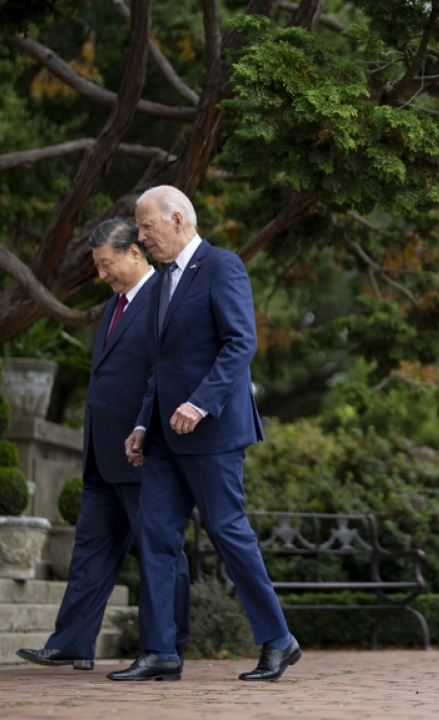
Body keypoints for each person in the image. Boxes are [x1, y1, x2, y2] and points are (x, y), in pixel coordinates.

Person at [107, 186, 299, 683]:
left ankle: (279, 640)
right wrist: (143, 423)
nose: (141, 237)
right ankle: (161, 651)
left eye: (147, 226)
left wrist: (201, 402)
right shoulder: (162, 281)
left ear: (177, 220)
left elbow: (241, 343)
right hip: (166, 439)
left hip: (213, 432)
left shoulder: (222, 265)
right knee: (154, 536)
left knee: (228, 532)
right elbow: (160, 364)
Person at [17, 219, 190, 671]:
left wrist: (144, 429)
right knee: (89, 551)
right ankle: (72, 642)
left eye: (106, 264)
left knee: (160, 550)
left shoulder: (164, 298)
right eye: (96, 266)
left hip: (143, 450)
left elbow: (163, 375)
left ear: (135, 253)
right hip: (100, 453)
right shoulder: (116, 304)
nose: (101, 274)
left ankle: (168, 647)